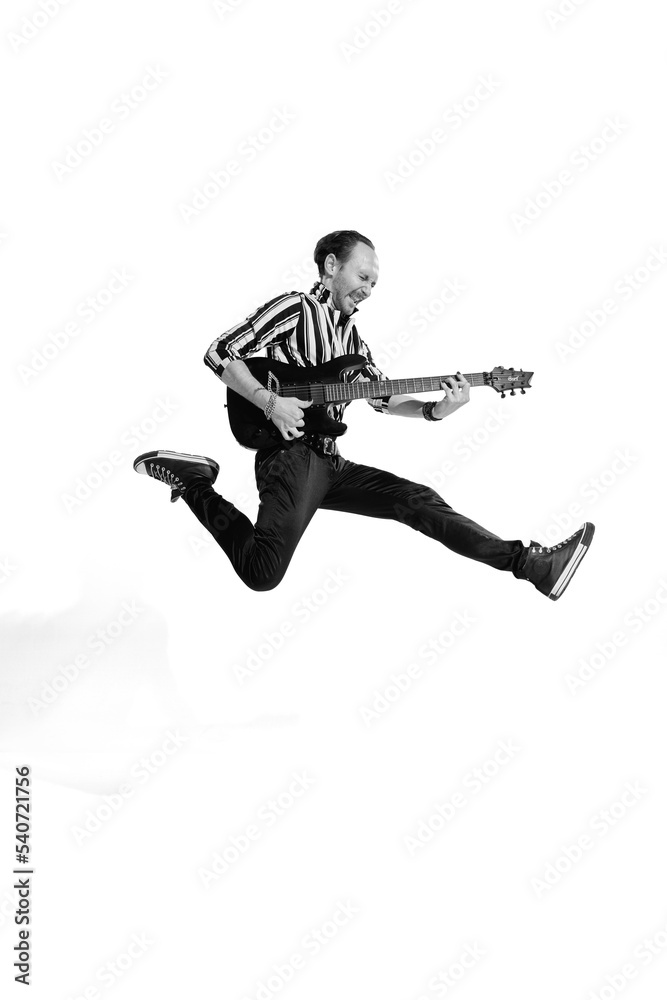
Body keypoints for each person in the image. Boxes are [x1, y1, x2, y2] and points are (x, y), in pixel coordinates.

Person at [134, 230, 594, 599]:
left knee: (417, 500)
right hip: (290, 458)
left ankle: (531, 564)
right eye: (363, 276)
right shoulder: (296, 308)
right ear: (332, 266)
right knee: (262, 574)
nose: (369, 288)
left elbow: (383, 397)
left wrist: (436, 409)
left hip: (329, 463)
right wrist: (270, 402)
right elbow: (221, 352)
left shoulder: (354, 343)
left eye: (375, 283)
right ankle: (193, 481)